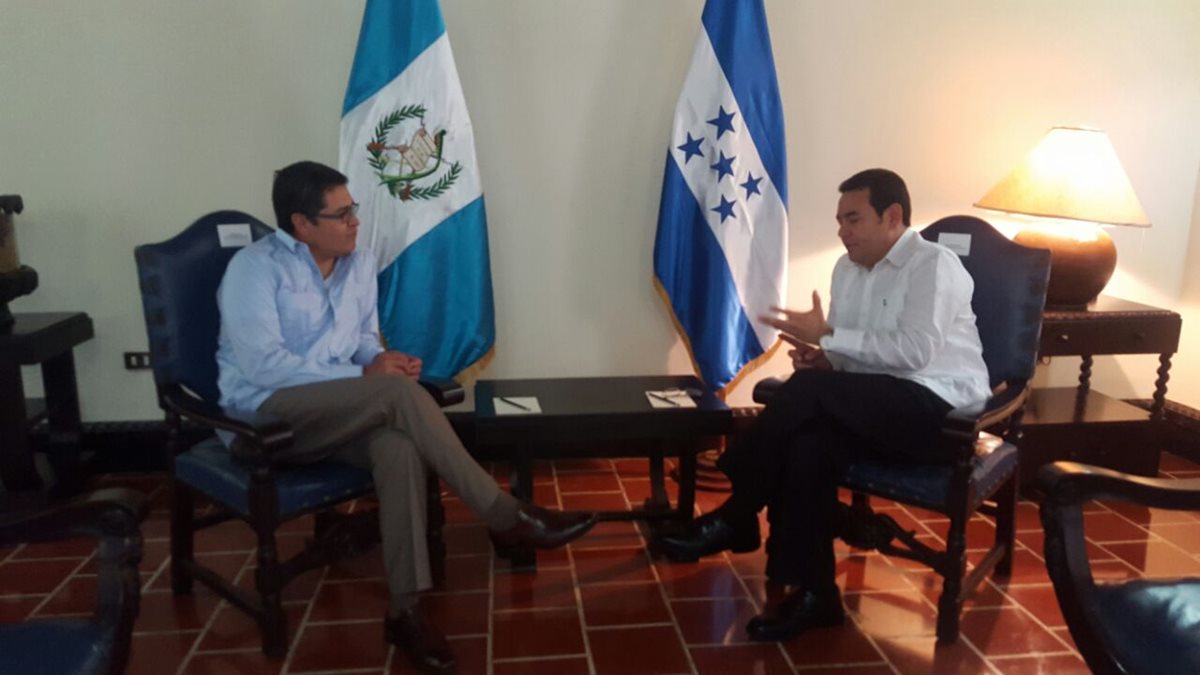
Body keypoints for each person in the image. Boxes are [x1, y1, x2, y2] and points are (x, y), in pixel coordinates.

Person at [216, 160, 597, 673]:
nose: (355, 222)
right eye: (341, 214)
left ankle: (406, 611)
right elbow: (265, 366)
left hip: (334, 411)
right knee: (396, 398)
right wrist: (368, 380)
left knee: (396, 446)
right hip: (264, 413)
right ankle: (504, 515)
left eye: (354, 210)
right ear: (300, 224)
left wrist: (379, 361)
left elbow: (361, 343)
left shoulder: (358, 261)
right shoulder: (255, 269)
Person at [656, 168, 991, 642]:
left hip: (940, 415)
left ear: (892, 216)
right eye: (839, 220)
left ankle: (737, 513)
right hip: (875, 407)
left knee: (805, 393)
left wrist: (831, 338)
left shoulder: (934, 266)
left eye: (853, 219)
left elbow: (916, 352)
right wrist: (826, 358)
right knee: (808, 445)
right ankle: (817, 595)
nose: (842, 231)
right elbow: (860, 354)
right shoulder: (846, 268)